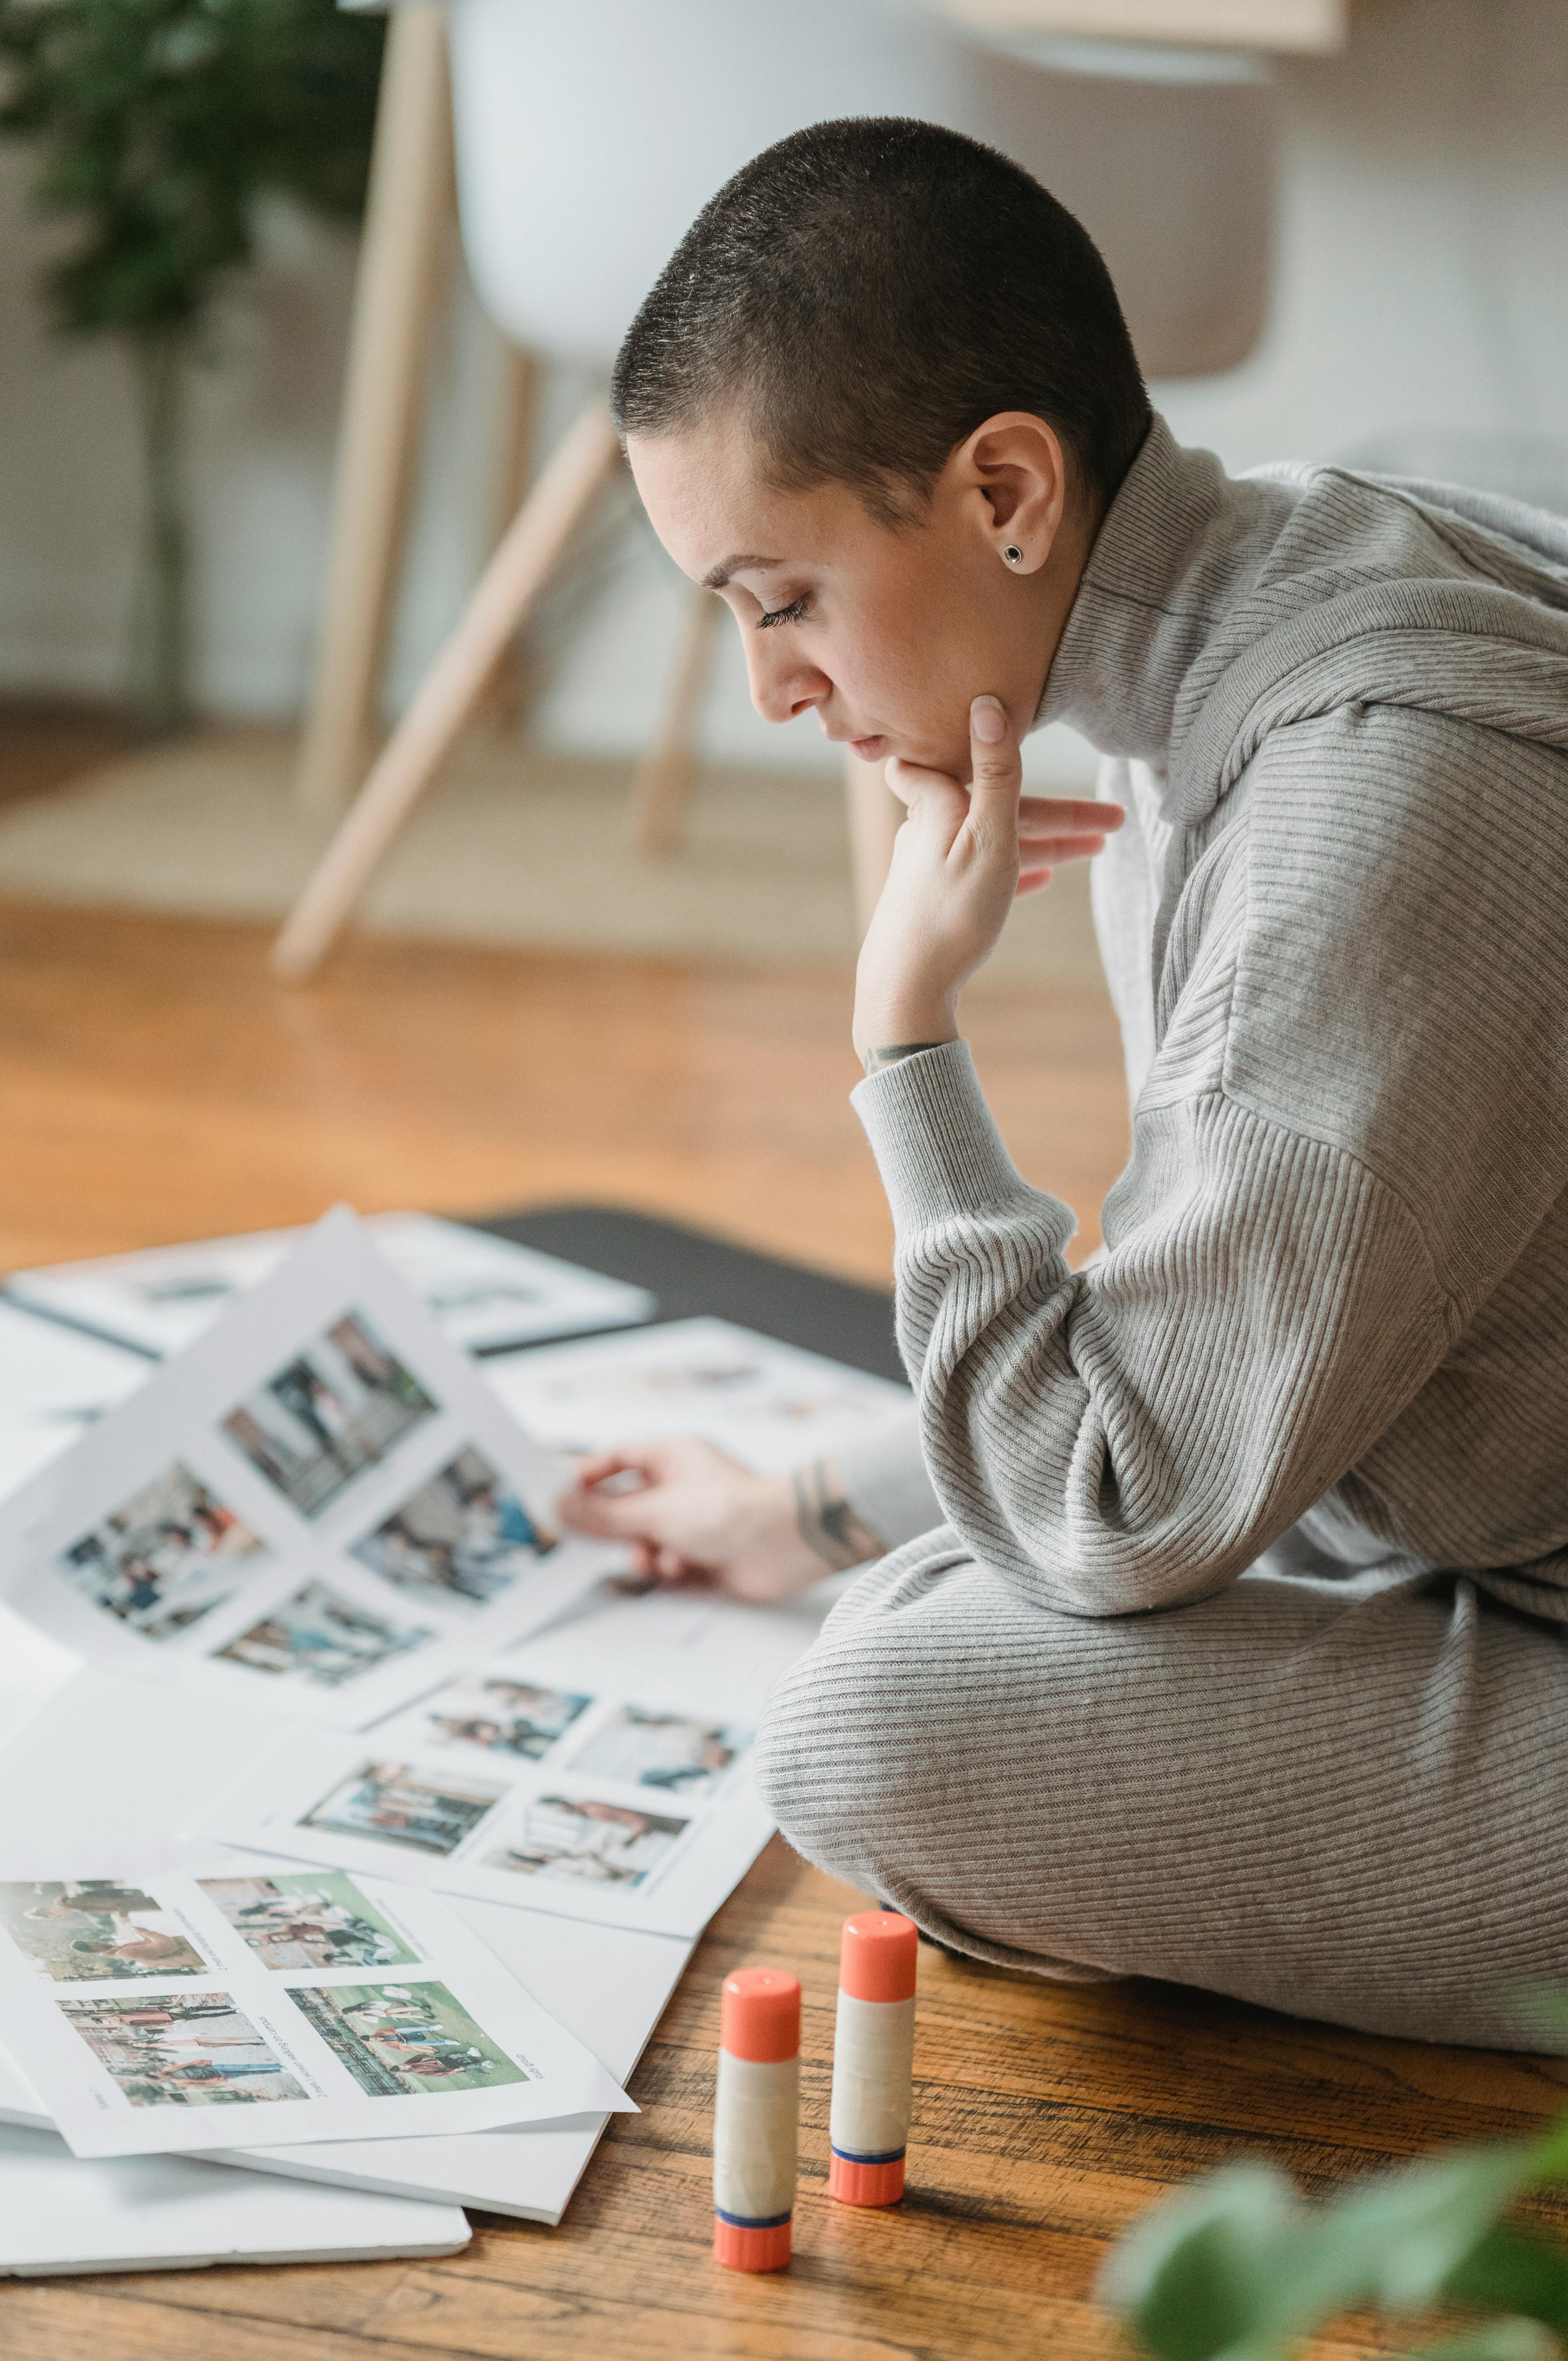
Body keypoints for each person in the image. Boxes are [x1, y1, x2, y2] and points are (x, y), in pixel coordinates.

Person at [557, 118, 1568, 2052]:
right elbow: (1249, 1332)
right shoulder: (1300, 574)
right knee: (918, 1616)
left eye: (778, 598)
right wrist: (811, 1507)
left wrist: (905, 1047)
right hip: (1461, 1536)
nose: (772, 689)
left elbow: (1126, 1502)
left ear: (1004, 489)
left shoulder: (1358, 802)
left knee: (879, 1726)